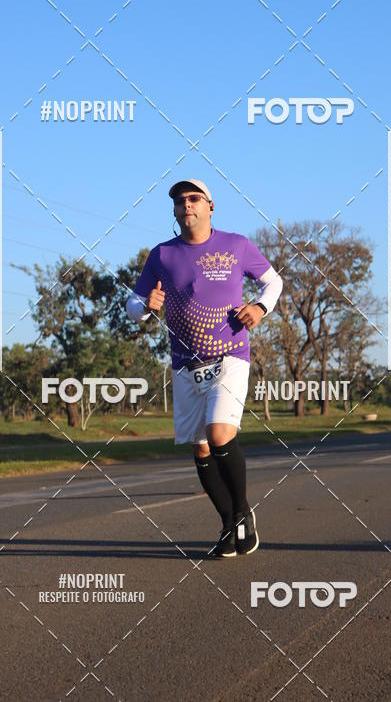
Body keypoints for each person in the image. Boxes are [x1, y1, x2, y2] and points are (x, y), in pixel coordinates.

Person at [125, 179, 283, 557]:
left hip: (230, 356)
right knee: (200, 449)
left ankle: (243, 514)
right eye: (180, 201)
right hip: (184, 365)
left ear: (211, 206)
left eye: (194, 199)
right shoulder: (161, 255)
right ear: (175, 211)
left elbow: (273, 282)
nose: (187, 205)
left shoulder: (236, 245)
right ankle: (230, 524)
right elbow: (131, 307)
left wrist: (260, 308)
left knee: (219, 434)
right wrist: (147, 305)